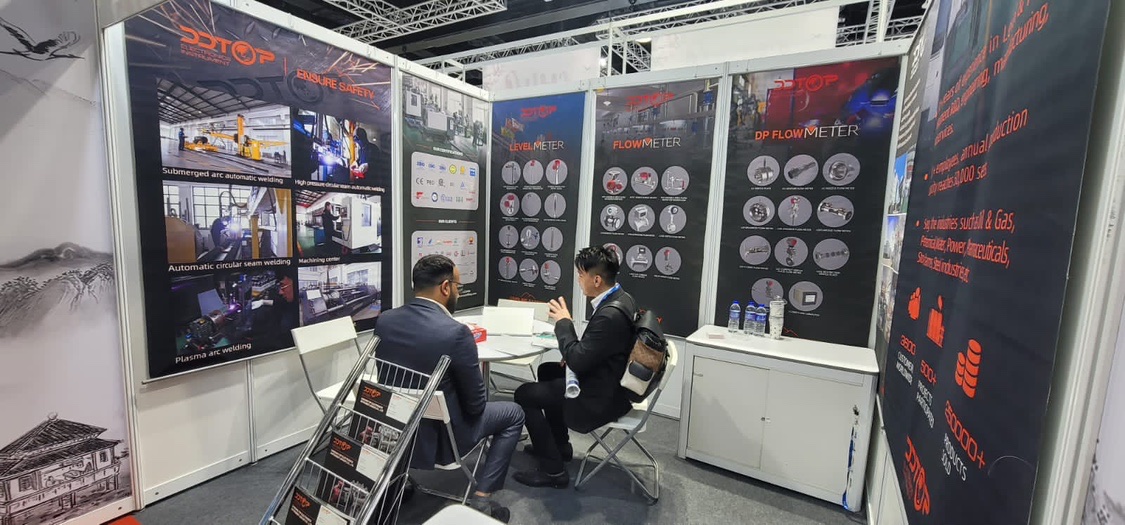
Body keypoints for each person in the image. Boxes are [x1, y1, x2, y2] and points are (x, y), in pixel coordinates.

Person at [374, 255, 523, 522]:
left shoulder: (385, 320)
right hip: (446, 440)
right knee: (514, 413)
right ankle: (482, 499)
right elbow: (476, 406)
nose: (458, 292)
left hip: (397, 432)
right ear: (445, 287)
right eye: (457, 286)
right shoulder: (455, 333)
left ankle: (398, 480)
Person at [512, 246, 637, 488]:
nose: (579, 280)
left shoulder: (610, 315)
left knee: (524, 394)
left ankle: (553, 471)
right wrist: (576, 354)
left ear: (596, 280)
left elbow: (578, 359)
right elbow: (601, 348)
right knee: (547, 370)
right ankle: (560, 446)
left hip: (600, 397)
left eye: (581, 275)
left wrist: (564, 322)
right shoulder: (622, 298)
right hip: (610, 379)